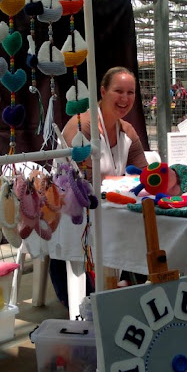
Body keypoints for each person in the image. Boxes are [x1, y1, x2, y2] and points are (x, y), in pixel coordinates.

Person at [50, 67, 149, 307]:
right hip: (75, 212)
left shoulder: (126, 130)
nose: (125, 99)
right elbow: (84, 180)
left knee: (148, 220)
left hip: (110, 205)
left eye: (130, 92)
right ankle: (86, 293)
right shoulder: (81, 127)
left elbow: (144, 174)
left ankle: (126, 282)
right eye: (118, 91)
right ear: (103, 91)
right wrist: (126, 181)